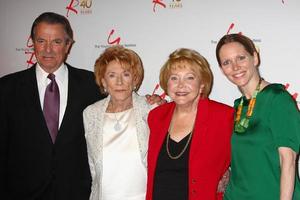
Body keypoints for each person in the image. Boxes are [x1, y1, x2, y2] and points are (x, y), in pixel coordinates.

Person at [216, 33, 300, 200]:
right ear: (221, 69)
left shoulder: (277, 99)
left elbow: (288, 161)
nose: (235, 66)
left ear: (255, 58)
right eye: (227, 62)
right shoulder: (238, 105)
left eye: (241, 58)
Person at [146, 48, 234, 200]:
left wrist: (230, 177)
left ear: (202, 85)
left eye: (190, 78)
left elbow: (248, 158)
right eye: (174, 78)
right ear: (166, 84)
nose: (181, 85)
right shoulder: (156, 116)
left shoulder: (224, 116)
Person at [83, 45, 157, 200]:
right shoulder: (91, 113)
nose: (119, 82)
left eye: (126, 74)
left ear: (135, 79)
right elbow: (92, 166)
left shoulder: (151, 108)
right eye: (112, 75)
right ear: (103, 81)